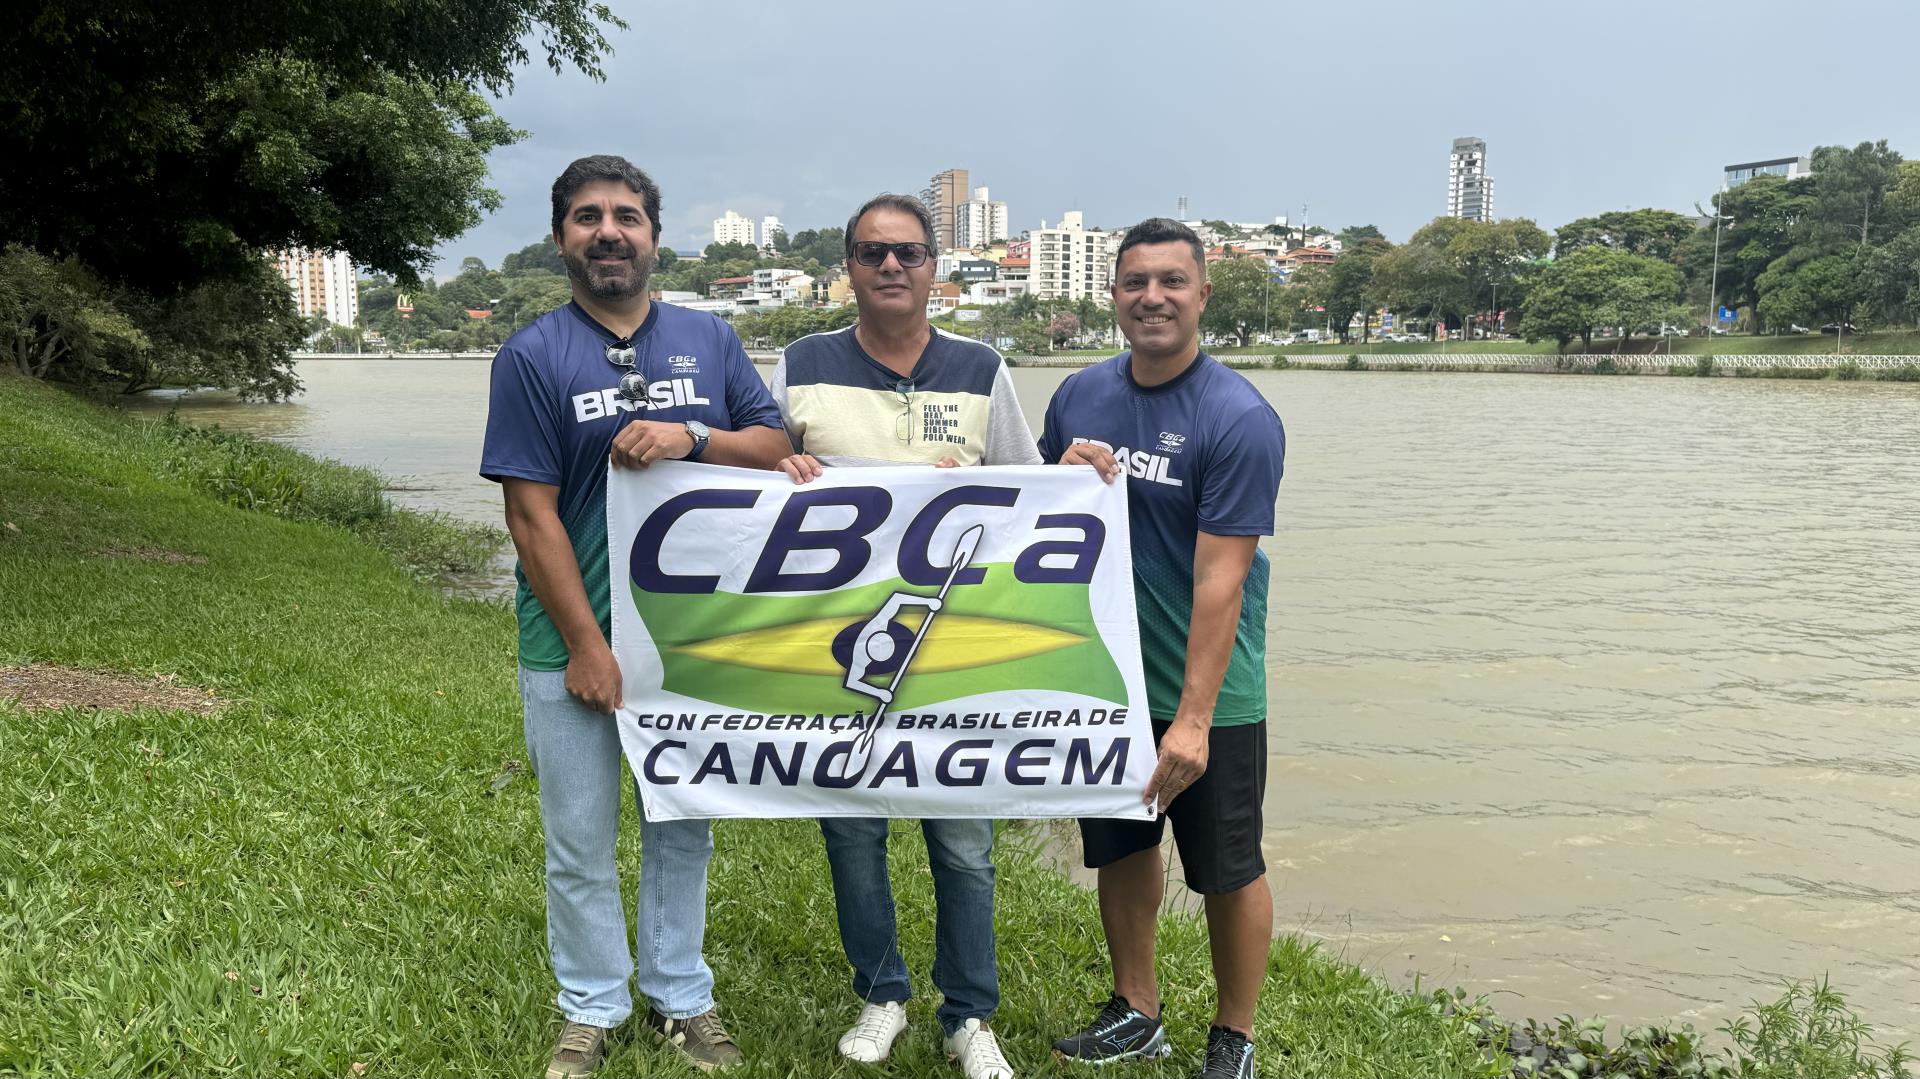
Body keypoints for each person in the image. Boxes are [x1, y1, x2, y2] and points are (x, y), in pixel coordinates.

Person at [480, 154, 792, 1078]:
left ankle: (680, 995)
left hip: (690, 640)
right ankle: (591, 1004)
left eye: (626, 216)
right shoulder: (532, 355)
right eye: (588, 217)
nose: (608, 231)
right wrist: (586, 644)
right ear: (561, 239)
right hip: (569, 645)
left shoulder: (710, 337)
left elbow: (774, 445)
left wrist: (690, 436)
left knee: (681, 824)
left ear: (655, 236)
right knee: (579, 837)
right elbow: (530, 516)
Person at [766, 192, 1041, 1079]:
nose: (891, 266)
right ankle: (881, 992)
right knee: (851, 831)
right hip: (838, 644)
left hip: (954, 648)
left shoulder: (982, 367)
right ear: (847, 266)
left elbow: (1031, 495)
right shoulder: (801, 363)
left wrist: (1082, 477)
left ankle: (970, 1014)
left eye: (909, 252)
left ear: (935, 268)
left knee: (964, 842)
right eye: (872, 252)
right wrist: (775, 462)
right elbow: (753, 478)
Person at [1037, 218, 1285, 1079]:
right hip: (1109, 679)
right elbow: (1041, 520)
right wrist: (1060, 475)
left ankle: (1234, 1036)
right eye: (1136, 282)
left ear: (1203, 294)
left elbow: (1221, 581)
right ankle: (1136, 1008)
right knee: (1123, 846)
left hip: (1211, 691)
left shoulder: (1239, 418)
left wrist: (1194, 721)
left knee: (1228, 869)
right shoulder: (1078, 396)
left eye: (1172, 281)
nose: (1153, 298)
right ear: (1113, 295)